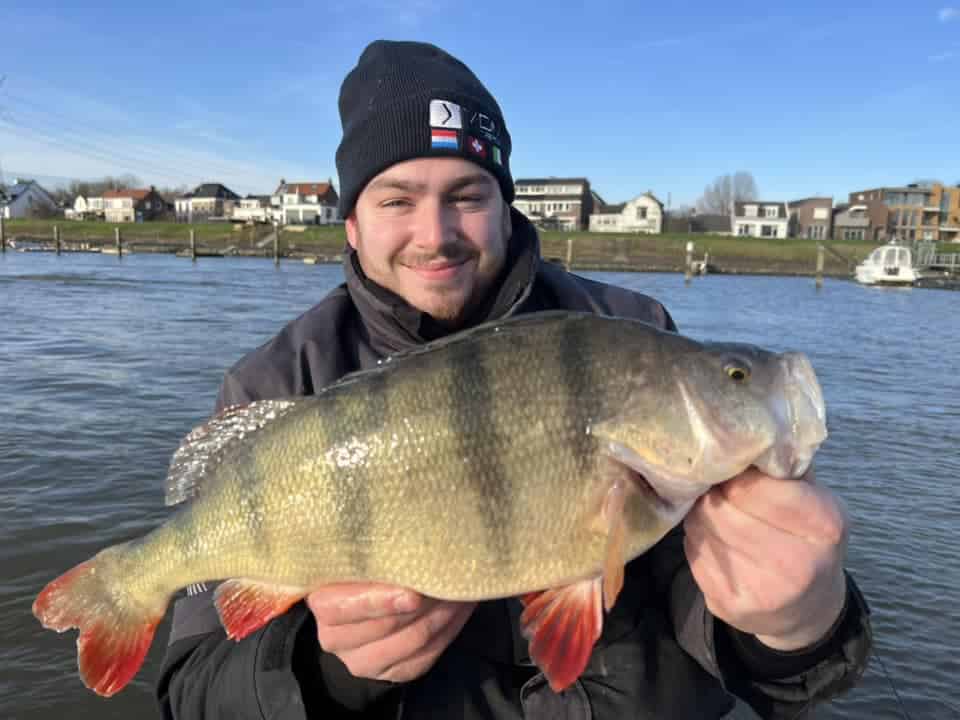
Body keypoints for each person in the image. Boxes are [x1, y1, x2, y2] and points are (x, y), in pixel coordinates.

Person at [157, 40, 872, 719]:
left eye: (466, 194)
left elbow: (718, 617)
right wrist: (326, 673)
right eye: (397, 201)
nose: (435, 233)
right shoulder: (278, 383)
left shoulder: (635, 333)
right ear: (351, 223)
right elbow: (195, 692)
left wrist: (797, 627)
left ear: (506, 205)